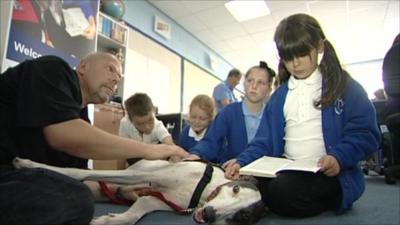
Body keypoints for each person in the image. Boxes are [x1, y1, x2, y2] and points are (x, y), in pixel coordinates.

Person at [0, 52, 188, 225]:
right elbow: (63, 135)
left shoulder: (81, 119)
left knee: (75, 195)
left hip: (14, 176)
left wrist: (118, 190)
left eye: (119, 78)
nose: (116, 79)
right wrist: (149, 150)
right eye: (110, 69)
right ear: (83, 67)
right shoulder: (53, 69)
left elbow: (78, 177)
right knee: (75, 199)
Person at [224, 13, 380, 218]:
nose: (295, 63)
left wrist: (338, 157)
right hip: (286, 170)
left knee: (282, 191)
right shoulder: (279, 97)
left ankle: (285, 200)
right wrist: (242, 162)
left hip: (328, 173)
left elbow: (366, 133)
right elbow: (263, 142)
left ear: (320, 47)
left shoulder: (344, 86)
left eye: (302, 54)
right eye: (288, 57)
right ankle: (269, 198)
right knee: (244, 183)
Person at [186, 61, 275, 165]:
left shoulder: (273, 116)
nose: (254, 86)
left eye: (261, 82)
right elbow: (211, 141)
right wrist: (196, 154)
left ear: (269, 89)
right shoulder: (228, 112)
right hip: (231, 171)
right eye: (250, 80)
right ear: (244, 84)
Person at [119, 93, 174, 164]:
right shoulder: (125, 123)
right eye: (140, 124)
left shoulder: (158, 126)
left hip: (155, 162)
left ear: (153, 110)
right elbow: (121, 152)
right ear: (130, 120)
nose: (147, 127)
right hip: (135, 160)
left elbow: (170, 146)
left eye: (150, 120)